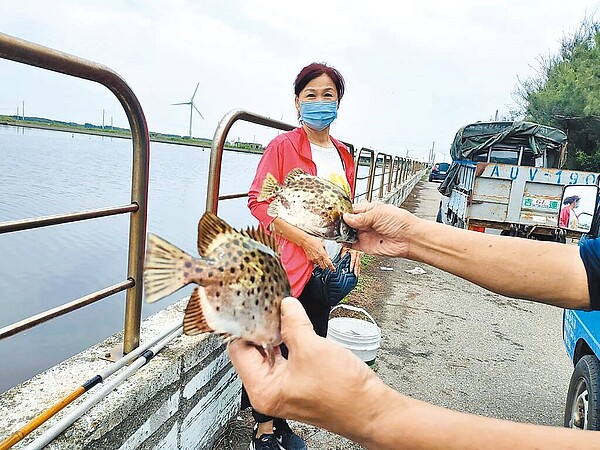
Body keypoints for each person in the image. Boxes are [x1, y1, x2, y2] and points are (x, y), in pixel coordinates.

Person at [229, 202, 600, 449]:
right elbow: (581, 271)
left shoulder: (341, 152)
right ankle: (266, 430)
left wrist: (374, 417)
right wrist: (410, 237)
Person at [245, 62, 361, 450]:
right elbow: (260, 202)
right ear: (297, 102)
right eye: (310, 95)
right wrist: (306, 243)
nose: (319, 102)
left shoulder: (345, 154)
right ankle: (264, 431)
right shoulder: (283, 147)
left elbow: (344, 208)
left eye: (328, 95)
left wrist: (351, 243)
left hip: (324, 270)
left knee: (304, 346)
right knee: (272, 344)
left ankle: (284, 422)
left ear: (339, 102)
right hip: (286, 267)